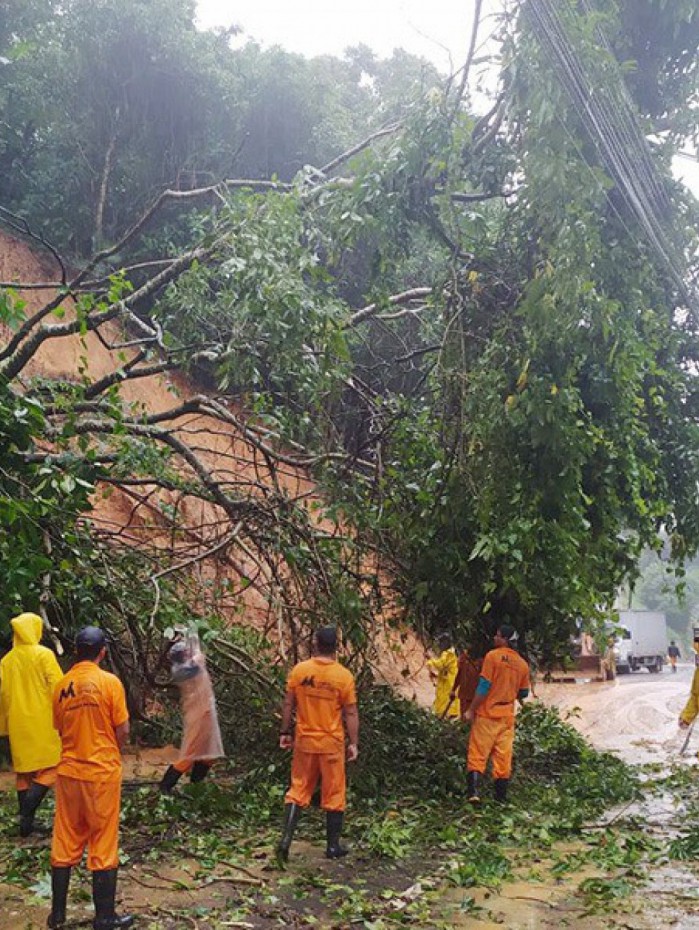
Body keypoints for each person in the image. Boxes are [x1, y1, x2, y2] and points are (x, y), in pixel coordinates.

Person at [47, 626, 133, 930]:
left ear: (75, 650)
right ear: (103, 651)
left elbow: (60, 728)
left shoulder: (61, 686)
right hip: (101, 773)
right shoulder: (109, 683)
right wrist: (109, 749)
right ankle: (105, 917)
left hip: (69, 772)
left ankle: (57, 915)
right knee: (103, 841)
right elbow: (122, 730)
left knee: (65, 838)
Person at [277, 626, 359, 863]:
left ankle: (285, 842)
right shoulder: (343, 676)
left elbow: (288, 704)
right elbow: (351, 712)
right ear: (336, 646)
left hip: (304, 740)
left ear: (315, 643)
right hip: (331, 743)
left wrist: (284, 732)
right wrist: (353, 743)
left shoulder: (300, 671)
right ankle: (332, 847)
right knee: (334, 792)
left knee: (298, 788)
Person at [0, 611, 63, 837]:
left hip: (17, 722)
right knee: (53, 766)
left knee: (24, 772)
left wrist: (4, 726)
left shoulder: (6, 661)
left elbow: (3, 695)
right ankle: (26, 813)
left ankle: (25, 827)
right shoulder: (43, 655)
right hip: (44, 721)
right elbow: (59, 688)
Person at [463, 624, 530, 804]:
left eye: (497, 636)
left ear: (504, 640)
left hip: (487, 714)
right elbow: (524, 693)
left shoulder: (492, 657)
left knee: (477, 753)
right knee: (503, 757)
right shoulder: (523, 664)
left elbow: (484, 687)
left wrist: (470, 710)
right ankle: (500, 799)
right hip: (507, 716)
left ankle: (474, 793)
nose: (494, 638)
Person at [159, 631, 224, 793]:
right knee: (190, 754)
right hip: (199, 716)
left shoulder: (184, 666)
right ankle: (165, 787)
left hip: (205, 714)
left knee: (208, 756)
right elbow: (198, 654)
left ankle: (196, 787)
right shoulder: (186, 668)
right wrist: (192, 631)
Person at [427, 634, 460, 719]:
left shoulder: (448, 653)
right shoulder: (449, 653)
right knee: (443, 699)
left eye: (441, 643)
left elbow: (441, 665)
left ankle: (445, 716)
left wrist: (430, 661)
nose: (439, 645)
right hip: (447, 680)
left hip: (449, 682)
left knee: (446, 700)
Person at [450, 647, 483, 721]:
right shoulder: (464, 659)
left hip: (473, 696)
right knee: (463, 717)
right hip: (463, 694)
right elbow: (459, 675)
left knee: (471, 719)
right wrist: (453, 690)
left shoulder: (481, 662)